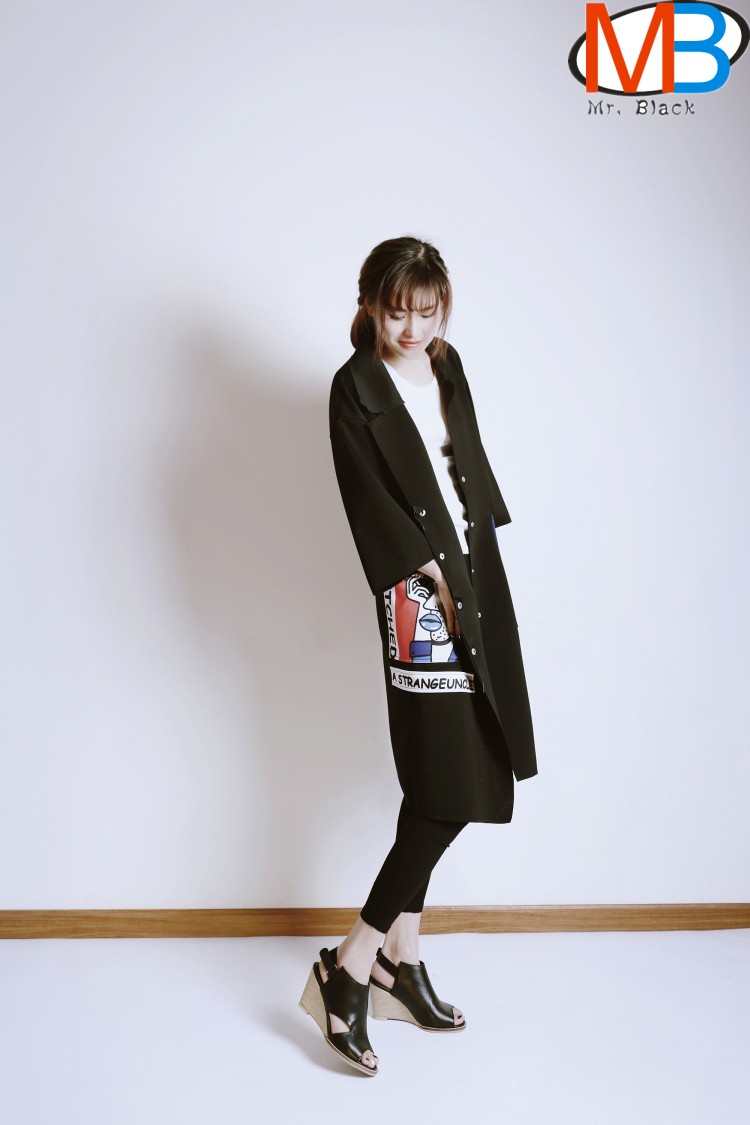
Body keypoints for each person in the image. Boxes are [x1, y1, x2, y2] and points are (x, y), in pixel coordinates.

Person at [299, 235, 538, 1076]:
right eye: (396, 310)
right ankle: (351, 959)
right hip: (415, 590)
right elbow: (364, 496)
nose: (410, 328)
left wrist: (475, 554)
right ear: (369, 303)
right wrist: (429, 571)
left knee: (457, 768)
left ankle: (401, 959)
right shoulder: (354, 386)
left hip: (474, 578)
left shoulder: (448, 365)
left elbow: (461, 463)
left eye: (426, 312)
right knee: (450, 781)